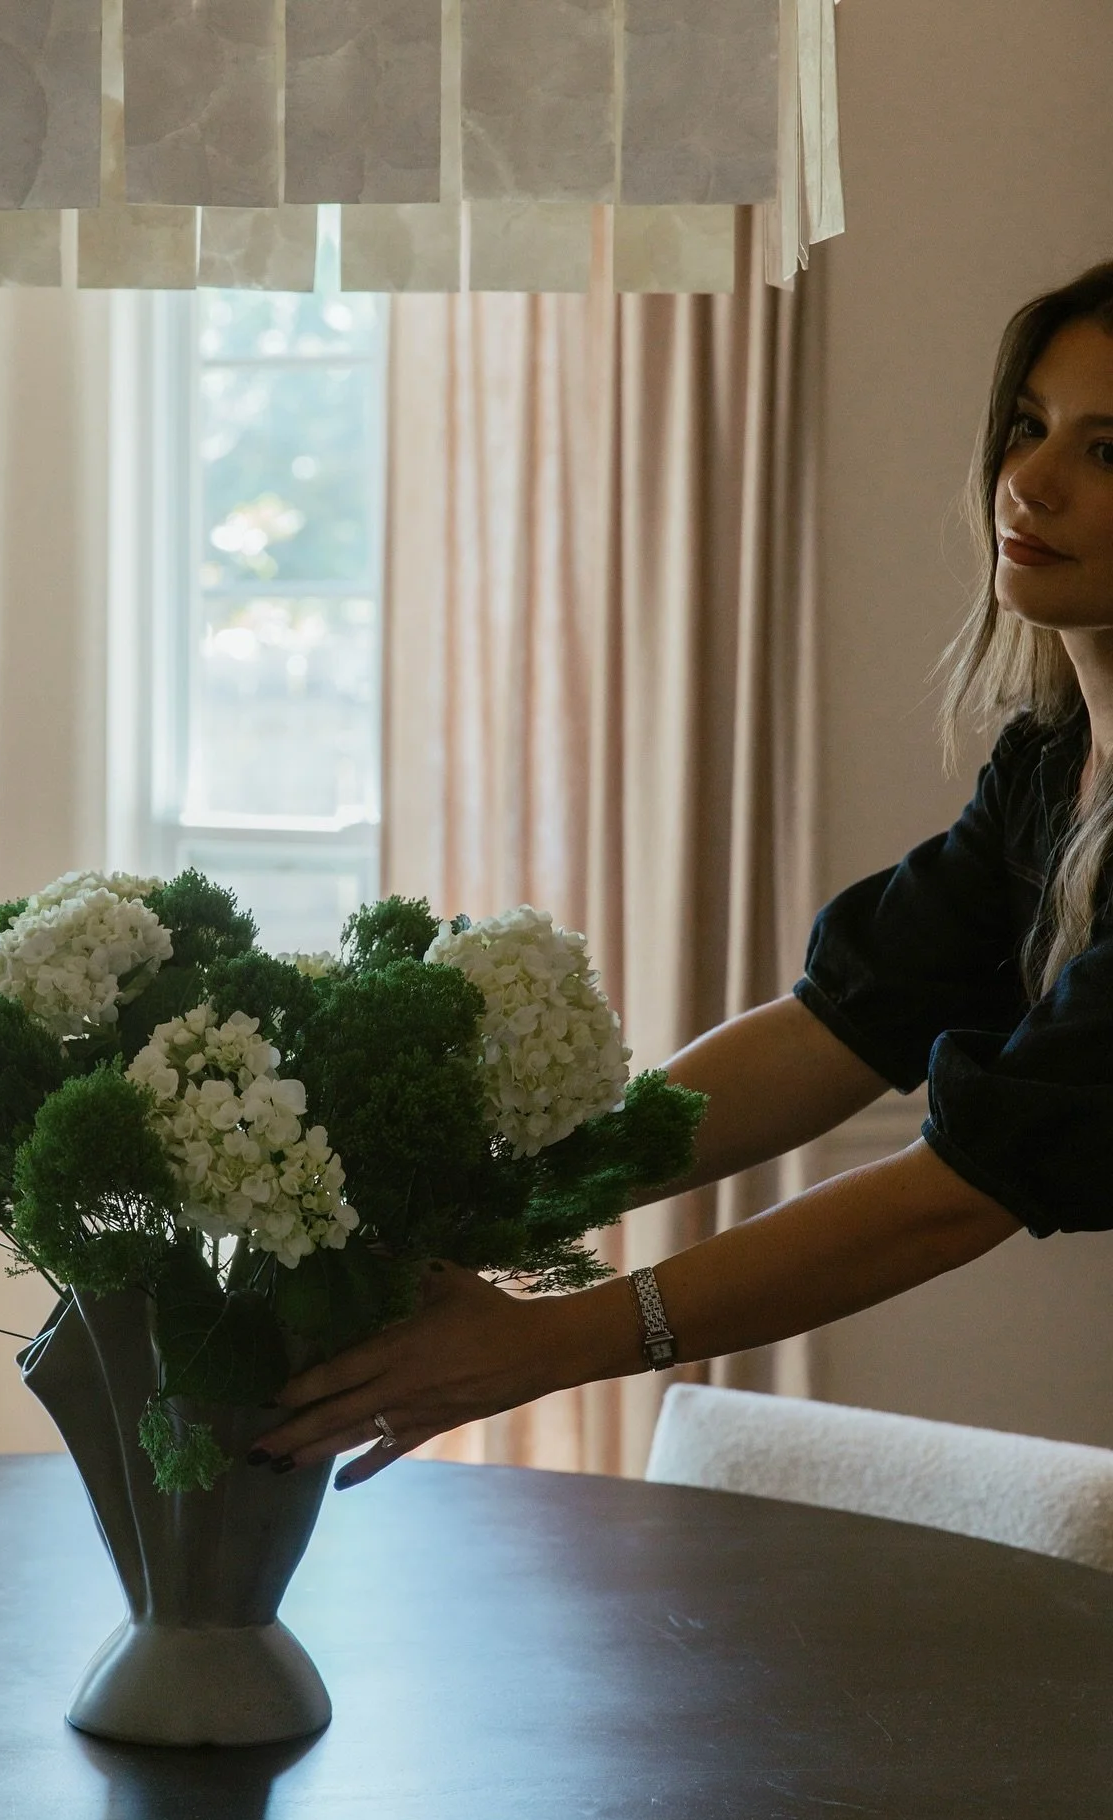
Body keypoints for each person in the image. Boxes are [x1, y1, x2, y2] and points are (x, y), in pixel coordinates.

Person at [253, 260, 1113, 1493]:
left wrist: (543, 1345)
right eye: (1028, 427)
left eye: (1107, 453)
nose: (1028, 481)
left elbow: (957, 1195)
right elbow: (837, 1030)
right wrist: (483, 1205)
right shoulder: (1053, 767)